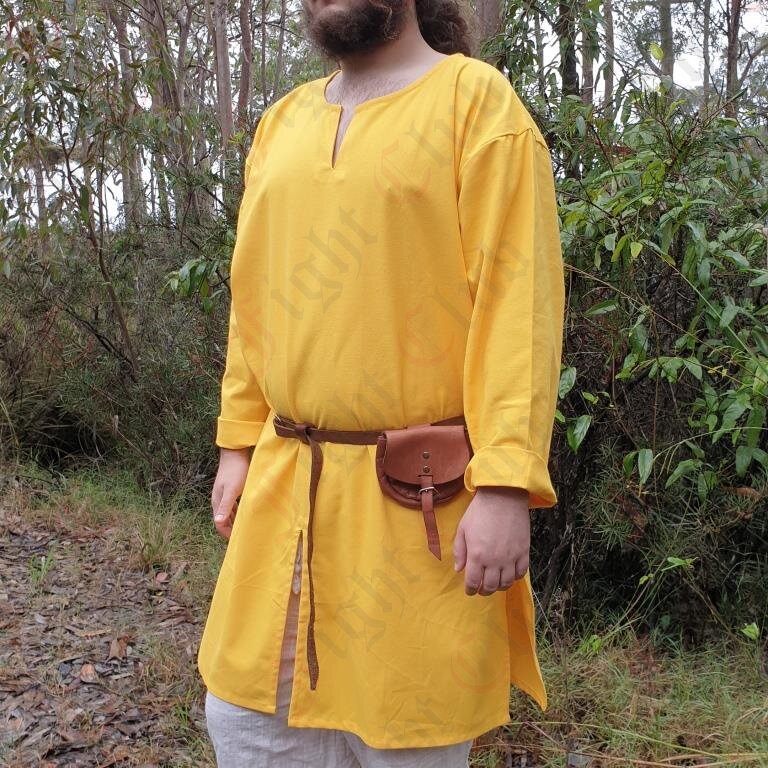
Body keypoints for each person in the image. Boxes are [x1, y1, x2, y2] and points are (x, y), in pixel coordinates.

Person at [198, 0, 565, 764]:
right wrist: (237, 441)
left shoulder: (476, 102)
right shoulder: (281, 123)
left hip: (419, 504)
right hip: (285, 488)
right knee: (247, 722)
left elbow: (517, 303)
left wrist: (506, 483)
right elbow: (254, 302)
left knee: (407, 738)